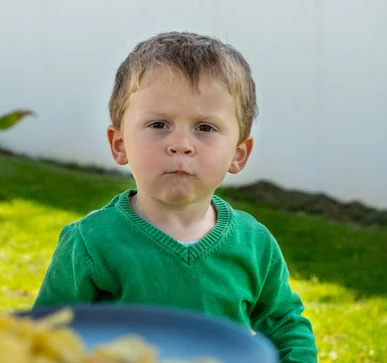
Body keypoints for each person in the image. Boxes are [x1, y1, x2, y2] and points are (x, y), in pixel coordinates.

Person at [33, 31, 318, 362]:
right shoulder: (90, 243)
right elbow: (46, 336)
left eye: (205, 128)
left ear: (238, 154)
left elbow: (285, 325)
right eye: (158, 124)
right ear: (120, 144)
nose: (181, 143)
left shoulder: (255, 245)